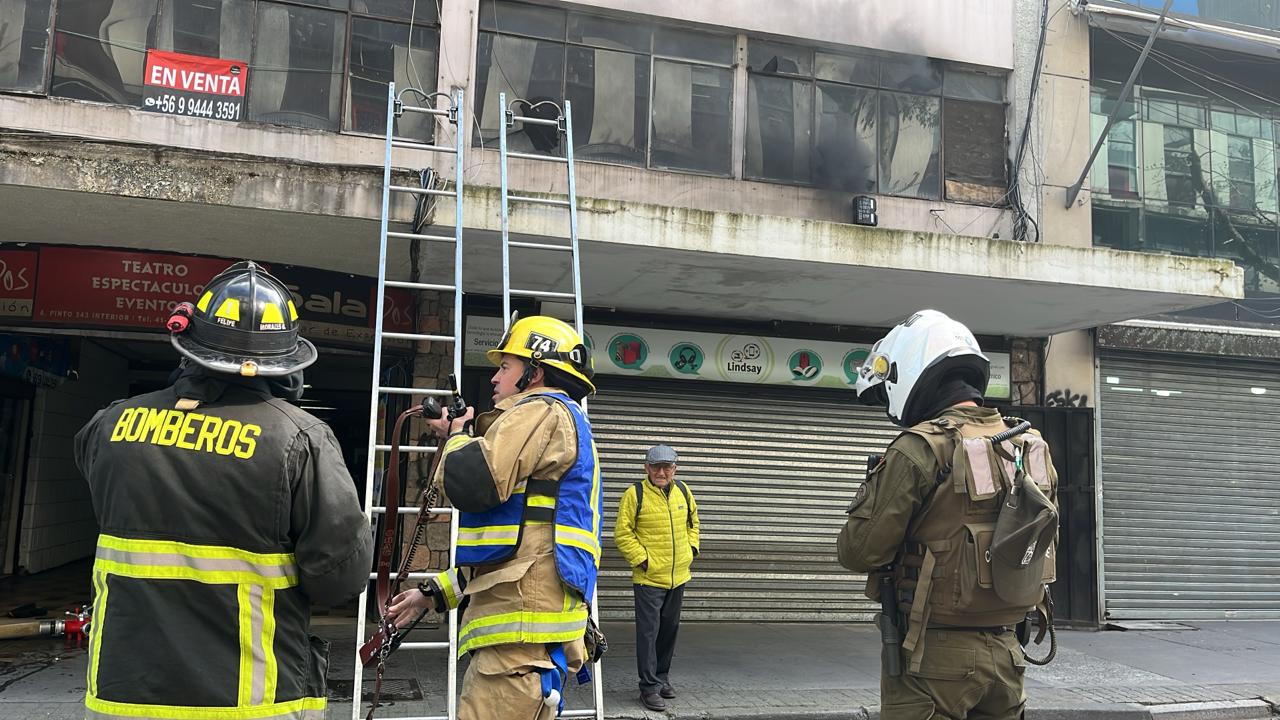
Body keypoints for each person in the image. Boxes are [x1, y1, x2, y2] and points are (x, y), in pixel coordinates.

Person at [74, 261, 373, 720]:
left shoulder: (109, 424)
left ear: (188, 345)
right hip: (250, 701)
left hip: (122, 694)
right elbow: (339, 580)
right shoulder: (301, 438)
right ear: (287, 362)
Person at [837, 309, 1059, 720]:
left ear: (912, 370)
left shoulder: (921, 447)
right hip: (1009, 654)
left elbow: (859, 551)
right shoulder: (1027, 445)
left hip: (933, 660)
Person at [386, 314, 601, 720]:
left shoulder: (540, 410)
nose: (494, 377)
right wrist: (431, 595)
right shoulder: (562, 420)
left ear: (535, 371)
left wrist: (456, 436)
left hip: (518, 642)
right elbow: (510, 548)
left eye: (505, 366)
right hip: (527, 633)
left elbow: (474, 483)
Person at [613, 444, 701, 712]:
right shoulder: (635, 494)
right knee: (648, 634)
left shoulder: (683, 491)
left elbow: (693, 523)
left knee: (668, 631)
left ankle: (662, 678)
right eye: (656, 467)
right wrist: (644, 560)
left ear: (675, 469)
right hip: (649, 579)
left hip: (678, 576)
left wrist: (691, 550)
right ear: (646, 468)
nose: (661, 472)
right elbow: (623, 533)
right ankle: (649, 687)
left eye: (667, 467)